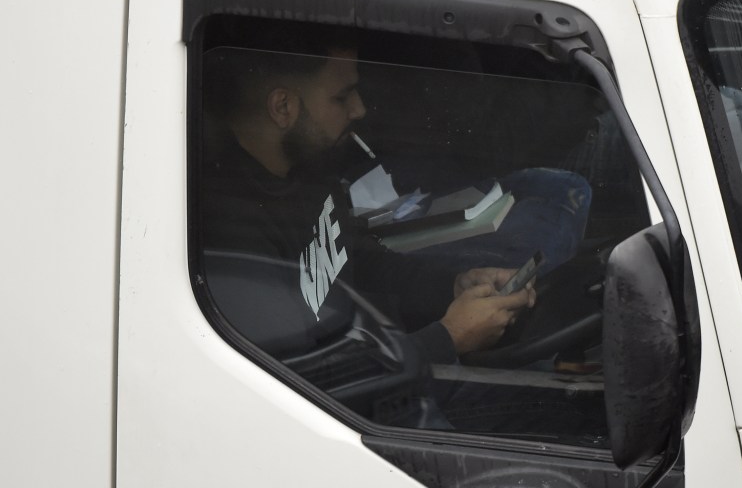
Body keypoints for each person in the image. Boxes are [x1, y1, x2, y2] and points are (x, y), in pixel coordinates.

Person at [200, 40, 538, 366]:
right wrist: (447, 338)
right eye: (341, 96)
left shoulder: (308, 172)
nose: (358, 108)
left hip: (383, 364)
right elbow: (304, 381)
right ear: (283, 107)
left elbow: (359, 264)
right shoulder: (231, 229)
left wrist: (452, 286)